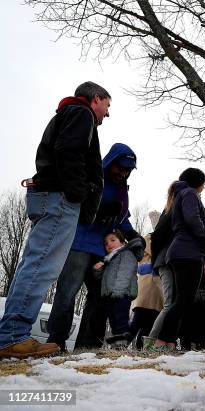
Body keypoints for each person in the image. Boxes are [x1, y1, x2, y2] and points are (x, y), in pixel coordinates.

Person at [0, 81, 110, 359]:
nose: (107, 114)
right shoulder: (82, 113)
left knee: (33, 263)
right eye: (107, 106)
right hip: (60, 199)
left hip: (52, 196)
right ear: (95, 99)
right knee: (41, 266)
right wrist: (78, 193)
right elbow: (69, 152)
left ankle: (10, 332)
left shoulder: (68, 114)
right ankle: (12, 335)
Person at [47, 142, 140, 351]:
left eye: (128, 170)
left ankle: (88, 345)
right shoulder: (92, 175)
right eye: (120, 167)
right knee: (67, 292)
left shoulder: (121, 190)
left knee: (100, 296)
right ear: (110, 162)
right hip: (79, 242)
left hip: (103, 251)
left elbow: (122, 219)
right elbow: (73, 202)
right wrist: (97, 208)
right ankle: (55, 342)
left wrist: (133, 235)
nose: (123, 172)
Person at [153, 168, 205, 352]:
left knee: (182, 299)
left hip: (181, 252)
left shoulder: (179, 194)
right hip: (188, 252)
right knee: (183, 299)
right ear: (199, 182)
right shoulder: (190, 194)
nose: (204, 187)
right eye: (204, 183)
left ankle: (169, 341)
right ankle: (162, 340)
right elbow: (192, 219)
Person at [94, 230, 144, 346]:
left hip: (122, 294)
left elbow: (124, 273)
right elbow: (102, 278)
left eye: (112, 240)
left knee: (121, 319)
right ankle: (117, 344)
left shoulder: (126, 253)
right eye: (106, 243)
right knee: (113, 321)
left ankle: (122, 344)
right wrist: (98, 269)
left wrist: (118, 291)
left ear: (122, 242)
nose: (109, 244)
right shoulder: (109, 259)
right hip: (111, 295)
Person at [146, 181, 180, 350]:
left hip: (169, 262)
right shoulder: (170, 213)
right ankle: (151, 342)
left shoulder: (173, 212)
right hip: (166, 262)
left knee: (173, 302)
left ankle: (166, 342)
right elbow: (157, 237)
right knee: (169, 304)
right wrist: (155, 264)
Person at [128, 235, 163, 349]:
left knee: (149, 324)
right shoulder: (145, 250)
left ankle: (140, 348)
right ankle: (121, 345)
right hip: (147, 293)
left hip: (156, 295)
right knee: (138, 322)